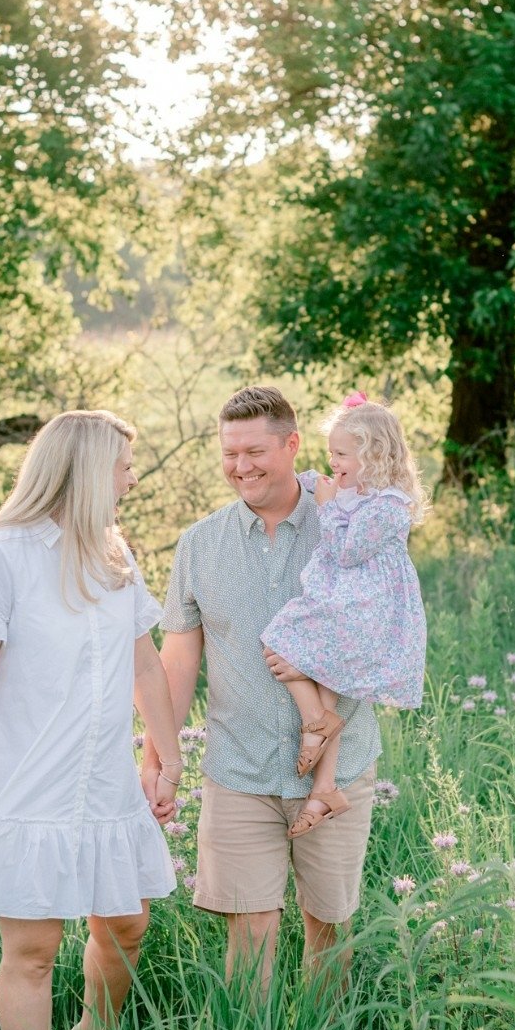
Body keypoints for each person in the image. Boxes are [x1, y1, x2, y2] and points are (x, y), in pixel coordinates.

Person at [0, 410, 182, 1030]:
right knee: (34, 950)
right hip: (26, 783)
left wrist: (168, 756)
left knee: (126, 927)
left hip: (105, 781)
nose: (132, 478)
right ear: (87, 470)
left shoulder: (114, 552)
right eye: (124, 466)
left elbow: (144, 665)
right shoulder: (0, 555)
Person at [146, 386, 382, 993]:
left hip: (337, 769)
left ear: (292, 444)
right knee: (249, 935)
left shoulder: (348, 525)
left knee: (329, 930)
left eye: (255, 452)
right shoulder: (200, 544)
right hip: (239, 770)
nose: (241, 466)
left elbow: (382, 630)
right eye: (230, 453)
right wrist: (159, 760)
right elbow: (177, 664)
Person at [261, 392, 427, 837]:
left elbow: (347, 551)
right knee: (323, 682)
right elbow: (311, 483)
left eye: (341, 455)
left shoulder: (389, 505)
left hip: (362, 610)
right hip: (344, 604)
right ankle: (325, 786)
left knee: (279, 639)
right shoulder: (355, 493)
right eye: (331, 452)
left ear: (373, 456)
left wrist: (327, 505)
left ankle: (315, 725)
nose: (332, 462)